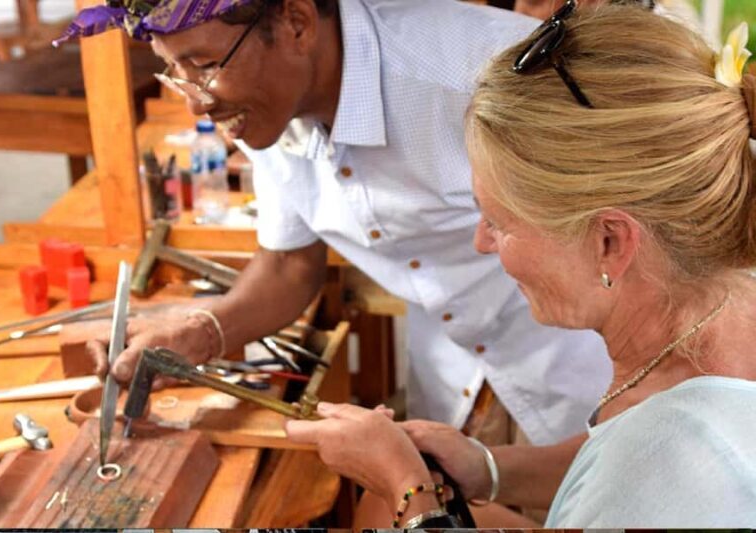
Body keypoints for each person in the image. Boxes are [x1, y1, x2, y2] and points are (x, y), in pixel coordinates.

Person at [56, 0, 610, 454]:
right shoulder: (269, 104)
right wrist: (199, 332)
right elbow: (289, 264)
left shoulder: (480, 76)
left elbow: (634, 238)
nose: (198, 103)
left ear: (296, 23)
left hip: (586, 379)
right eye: (175, 71)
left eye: (203, 64)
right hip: (453, 382)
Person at [286, 2, 756, 527]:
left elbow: (635, 469)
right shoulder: (726, 300)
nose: (482, 242)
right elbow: (610, 461)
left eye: (499, 221)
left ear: (609, 242)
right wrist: (488, 468)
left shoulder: (667, 453)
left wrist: (407, 488)